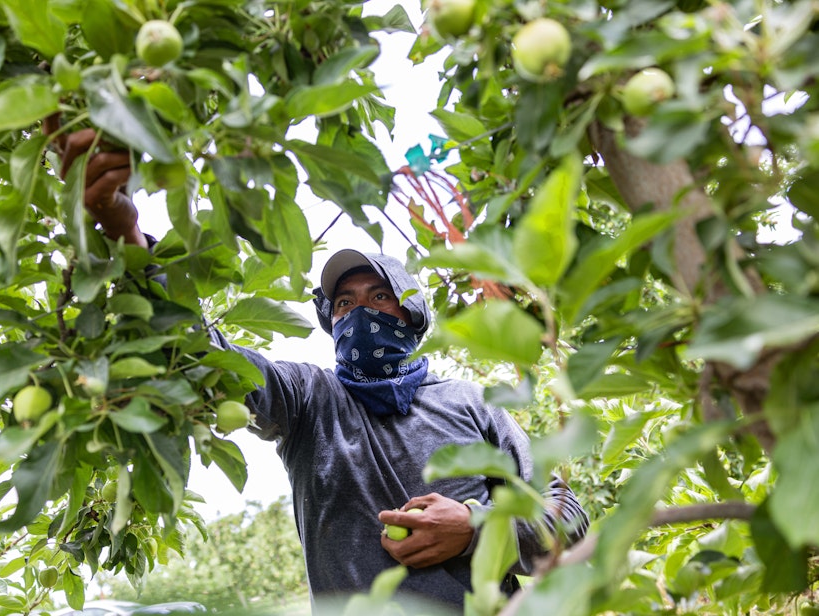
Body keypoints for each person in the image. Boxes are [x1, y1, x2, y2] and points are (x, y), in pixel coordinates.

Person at [49, 124, 590, 613]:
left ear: (414, 313)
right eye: (344, 304)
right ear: (330, 322)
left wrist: (476, 526)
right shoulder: (311, 399)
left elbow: (566, 517)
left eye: (379, 296)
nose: (359, 312)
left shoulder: (473, 405)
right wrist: (128, 235)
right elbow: (212, 363)